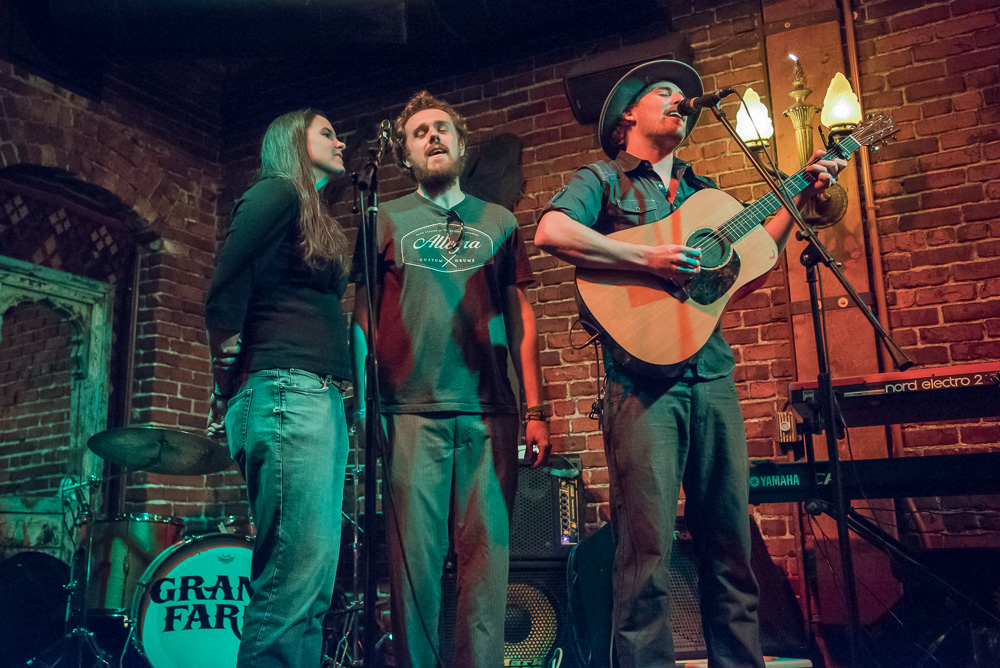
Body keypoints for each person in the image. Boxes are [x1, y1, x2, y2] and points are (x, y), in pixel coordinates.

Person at [535, 60, 847, 667]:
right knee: (646, 552)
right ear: (627, 114)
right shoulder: (603, 180)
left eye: (684, 94)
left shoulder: (706, 195)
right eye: (664, 91)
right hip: (640, 385)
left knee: (731, 544)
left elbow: (749, 267)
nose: (681, 98)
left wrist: (797, 197)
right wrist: (644, 258)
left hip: (712, 375)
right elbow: (551, 231)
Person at [351, 91, 550, 668]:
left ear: (461, 145)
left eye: (442, 128)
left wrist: (536, 408)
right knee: (413, 570)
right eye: (419, 132)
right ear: (405, 155)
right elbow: (362, 318)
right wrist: (363, 404)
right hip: (408, 411)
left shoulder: (500, 221)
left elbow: (520, 318)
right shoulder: (383, 219)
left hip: (490, 412)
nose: (432, 137)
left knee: (487, 566)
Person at [205, 108, 352, 668]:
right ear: (294, 140)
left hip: (310, 396)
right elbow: (226, 282)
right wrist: (224, 372)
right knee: (291, 584)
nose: (340, 142)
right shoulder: (276, 193)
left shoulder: (309, 211)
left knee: (311, 586)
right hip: (288, 391)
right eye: (326, 133)